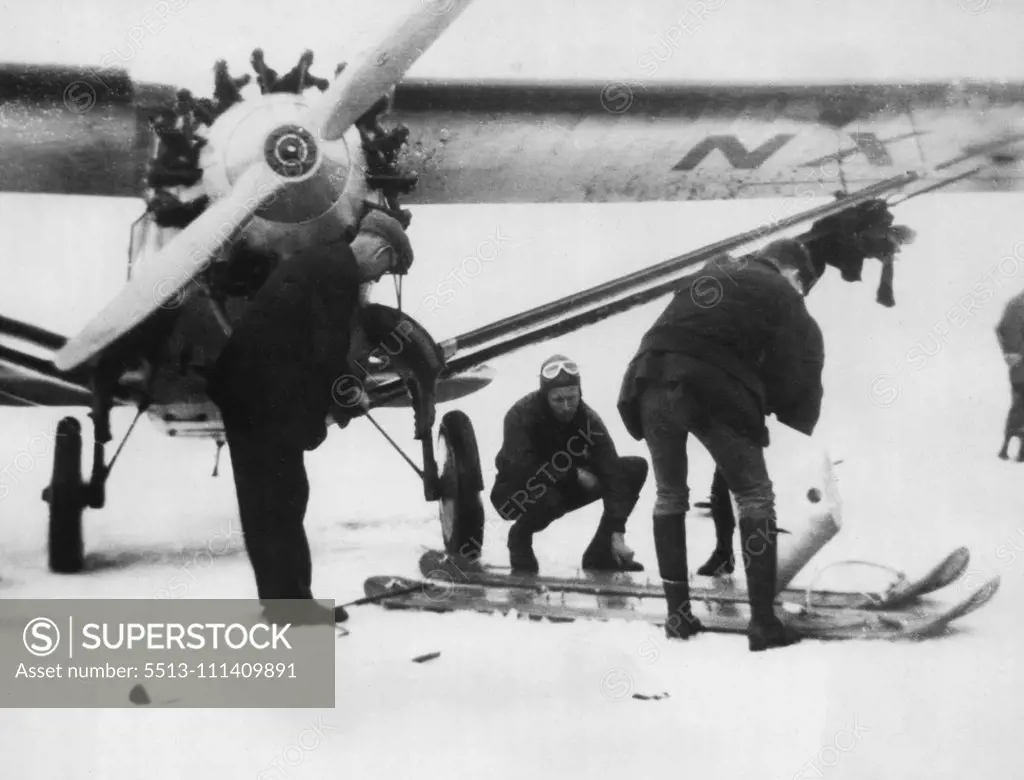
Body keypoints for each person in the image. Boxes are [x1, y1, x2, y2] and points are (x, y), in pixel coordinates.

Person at [205, 210, 414, 625]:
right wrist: (350, 393)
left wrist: (336, 395)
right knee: (278, 501)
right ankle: (291, 607)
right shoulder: (336, 275)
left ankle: (287, 603)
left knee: (273, 501)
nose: (375, 278)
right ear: (380, 249)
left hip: (252, 395)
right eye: (385, 268)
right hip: (259, 399)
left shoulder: (323, 262)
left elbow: (307, 349)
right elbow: (326, 352)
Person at [617, 239, 825, 652]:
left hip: (647, 376)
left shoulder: (714, 270)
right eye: (804, 285)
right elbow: (801, 365)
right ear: (794, 273)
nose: (801, 293)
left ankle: (677, 616)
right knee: (754, 496)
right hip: (709, 382)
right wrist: (784, 411)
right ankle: (763, 623)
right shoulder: (782, 292)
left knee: (670, 495)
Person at [490, 354, 650, 575]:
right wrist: (573, 474)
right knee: (550, 494)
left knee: (634, 469)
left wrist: (617, 530)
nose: (566, 407)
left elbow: (612, 471)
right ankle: (520, 538)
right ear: (545, 396)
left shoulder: (588, 419)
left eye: (572, 398)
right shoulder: (520, 415)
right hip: (515, 494)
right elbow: (522, 467)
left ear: (579, 393)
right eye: (558, 400)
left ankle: (600, 553)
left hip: (565, 485)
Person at [996, 288, 1024, 461]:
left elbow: (1000, 329)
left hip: (1017, 365)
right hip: (1021, 364)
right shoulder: (1018, 305)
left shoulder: (1015, 303)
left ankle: (1007, 447)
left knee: (1018, 404)